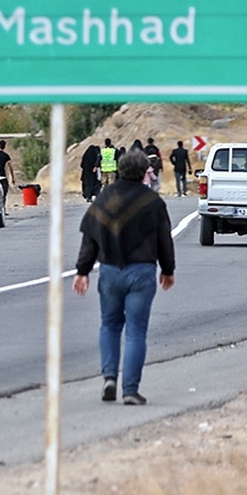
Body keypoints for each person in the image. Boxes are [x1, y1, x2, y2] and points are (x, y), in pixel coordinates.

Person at [72, 150, 175, 406]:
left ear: (119, 169)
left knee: (109, 324)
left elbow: (91, 237)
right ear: (143, 172)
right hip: (142, 271)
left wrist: (82, 271)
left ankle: (109, 378)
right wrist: (168, 269)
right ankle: (130, 389)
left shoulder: (106, 197)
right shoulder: (152, 202)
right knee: (136, 331)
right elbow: (164, 239)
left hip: (110, 271)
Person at [0, 140, 16, 209]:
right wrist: (13, 178)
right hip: (2, 177)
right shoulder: (6, 156)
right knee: (3, 194)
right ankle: (2, 208)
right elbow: (10, 168)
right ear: (4, 147)